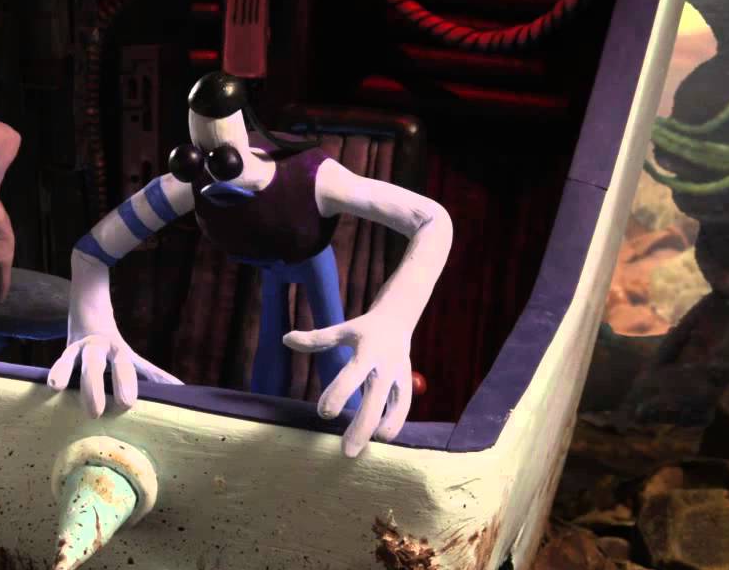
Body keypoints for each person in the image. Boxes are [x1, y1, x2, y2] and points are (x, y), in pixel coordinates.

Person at [49, 72, 452, 458]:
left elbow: (432, 220)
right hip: (266, 264)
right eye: (194, 162)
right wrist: (94, 324)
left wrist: (394, 318)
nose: (209, 177)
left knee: (334, 344)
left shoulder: (318, 179)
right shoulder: (189, 185)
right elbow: (91, 251)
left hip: (310, 258)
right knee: (271, 340)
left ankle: (353, 433)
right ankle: (262, 438)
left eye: (222, 161)